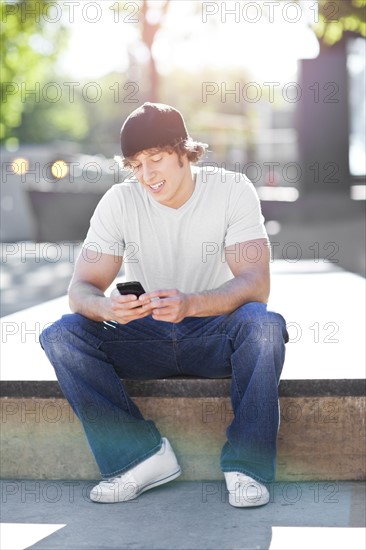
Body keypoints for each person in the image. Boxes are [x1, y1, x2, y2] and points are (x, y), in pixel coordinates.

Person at [40, 102, 289, 507]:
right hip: (146, 337)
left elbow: (256, 284)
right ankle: (139, 459)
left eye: (155, 159)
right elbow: (80, 290)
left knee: (263, 325)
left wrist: (192, 303)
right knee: (61, 335)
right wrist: (107, 309)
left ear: (183, 150)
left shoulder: (231, 190)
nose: (147, 175)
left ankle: (247, 467)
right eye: (136, 165)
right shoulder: (119, 202)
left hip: (214, 333)